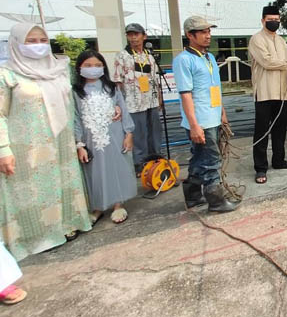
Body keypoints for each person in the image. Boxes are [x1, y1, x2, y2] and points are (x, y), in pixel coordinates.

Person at [0, 23, 92, 261]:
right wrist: (3, 149)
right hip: (27, 146)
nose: (38, 46)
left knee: (61, 184)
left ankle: (65, 226)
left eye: (42, 40)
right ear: (16, 43)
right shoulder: (7, 74)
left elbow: (72, 105)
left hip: (60, 141)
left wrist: (77, 140)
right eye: (30, 41)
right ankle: (34, 238)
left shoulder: (60, 69)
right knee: (32, 193)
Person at [173, 16, 239, 212]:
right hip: (200, 120)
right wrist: (194, 125)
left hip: (213, 116)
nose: (207, 36)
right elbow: (185, 95)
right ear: (189, 35)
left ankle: (192, 196)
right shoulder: (183, 60)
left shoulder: (209, 58)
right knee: (212, 160)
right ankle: (216, 201)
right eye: (202, 32)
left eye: (209, 32)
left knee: (198, 158)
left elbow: (215, 88)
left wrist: (222, 112)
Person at [74, 50, 136, 225]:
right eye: (88, 65)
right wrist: (79, 143)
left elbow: (122, 109)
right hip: (91, 138)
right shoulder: (76, 92)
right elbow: (76, 118)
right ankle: (98, 207)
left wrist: (128, 133)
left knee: (116, 167)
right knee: (94, 172)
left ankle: (118, 204)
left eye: (98, 65)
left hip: (114, 135)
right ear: (79, 68)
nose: (93, 69)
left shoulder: (111, 88)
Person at [248, 6, 287, 184]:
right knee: (262, 131)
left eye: (277, 19)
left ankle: (279, 160)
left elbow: (285, 66)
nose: (274, 22)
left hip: (281, 92)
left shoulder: (282, 41)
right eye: (270, 19)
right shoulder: (256, 39)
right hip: (264, 92)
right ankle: (260, 168)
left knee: (280, 129)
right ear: (262, 20)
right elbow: (267, 62)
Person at [113, 23, 162, 173]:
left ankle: (156, 158)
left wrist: (159, 97)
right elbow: (117, 81)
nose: (133, 38)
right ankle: (139, 163)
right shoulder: (122, 56)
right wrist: (118, 102)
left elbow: (155, 78)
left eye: (136, 34)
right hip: (133, 101)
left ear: (144, 36)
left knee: (155, 131)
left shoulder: (149, 55)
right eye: (130, 35)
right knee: (139, 133)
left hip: (151, 100)